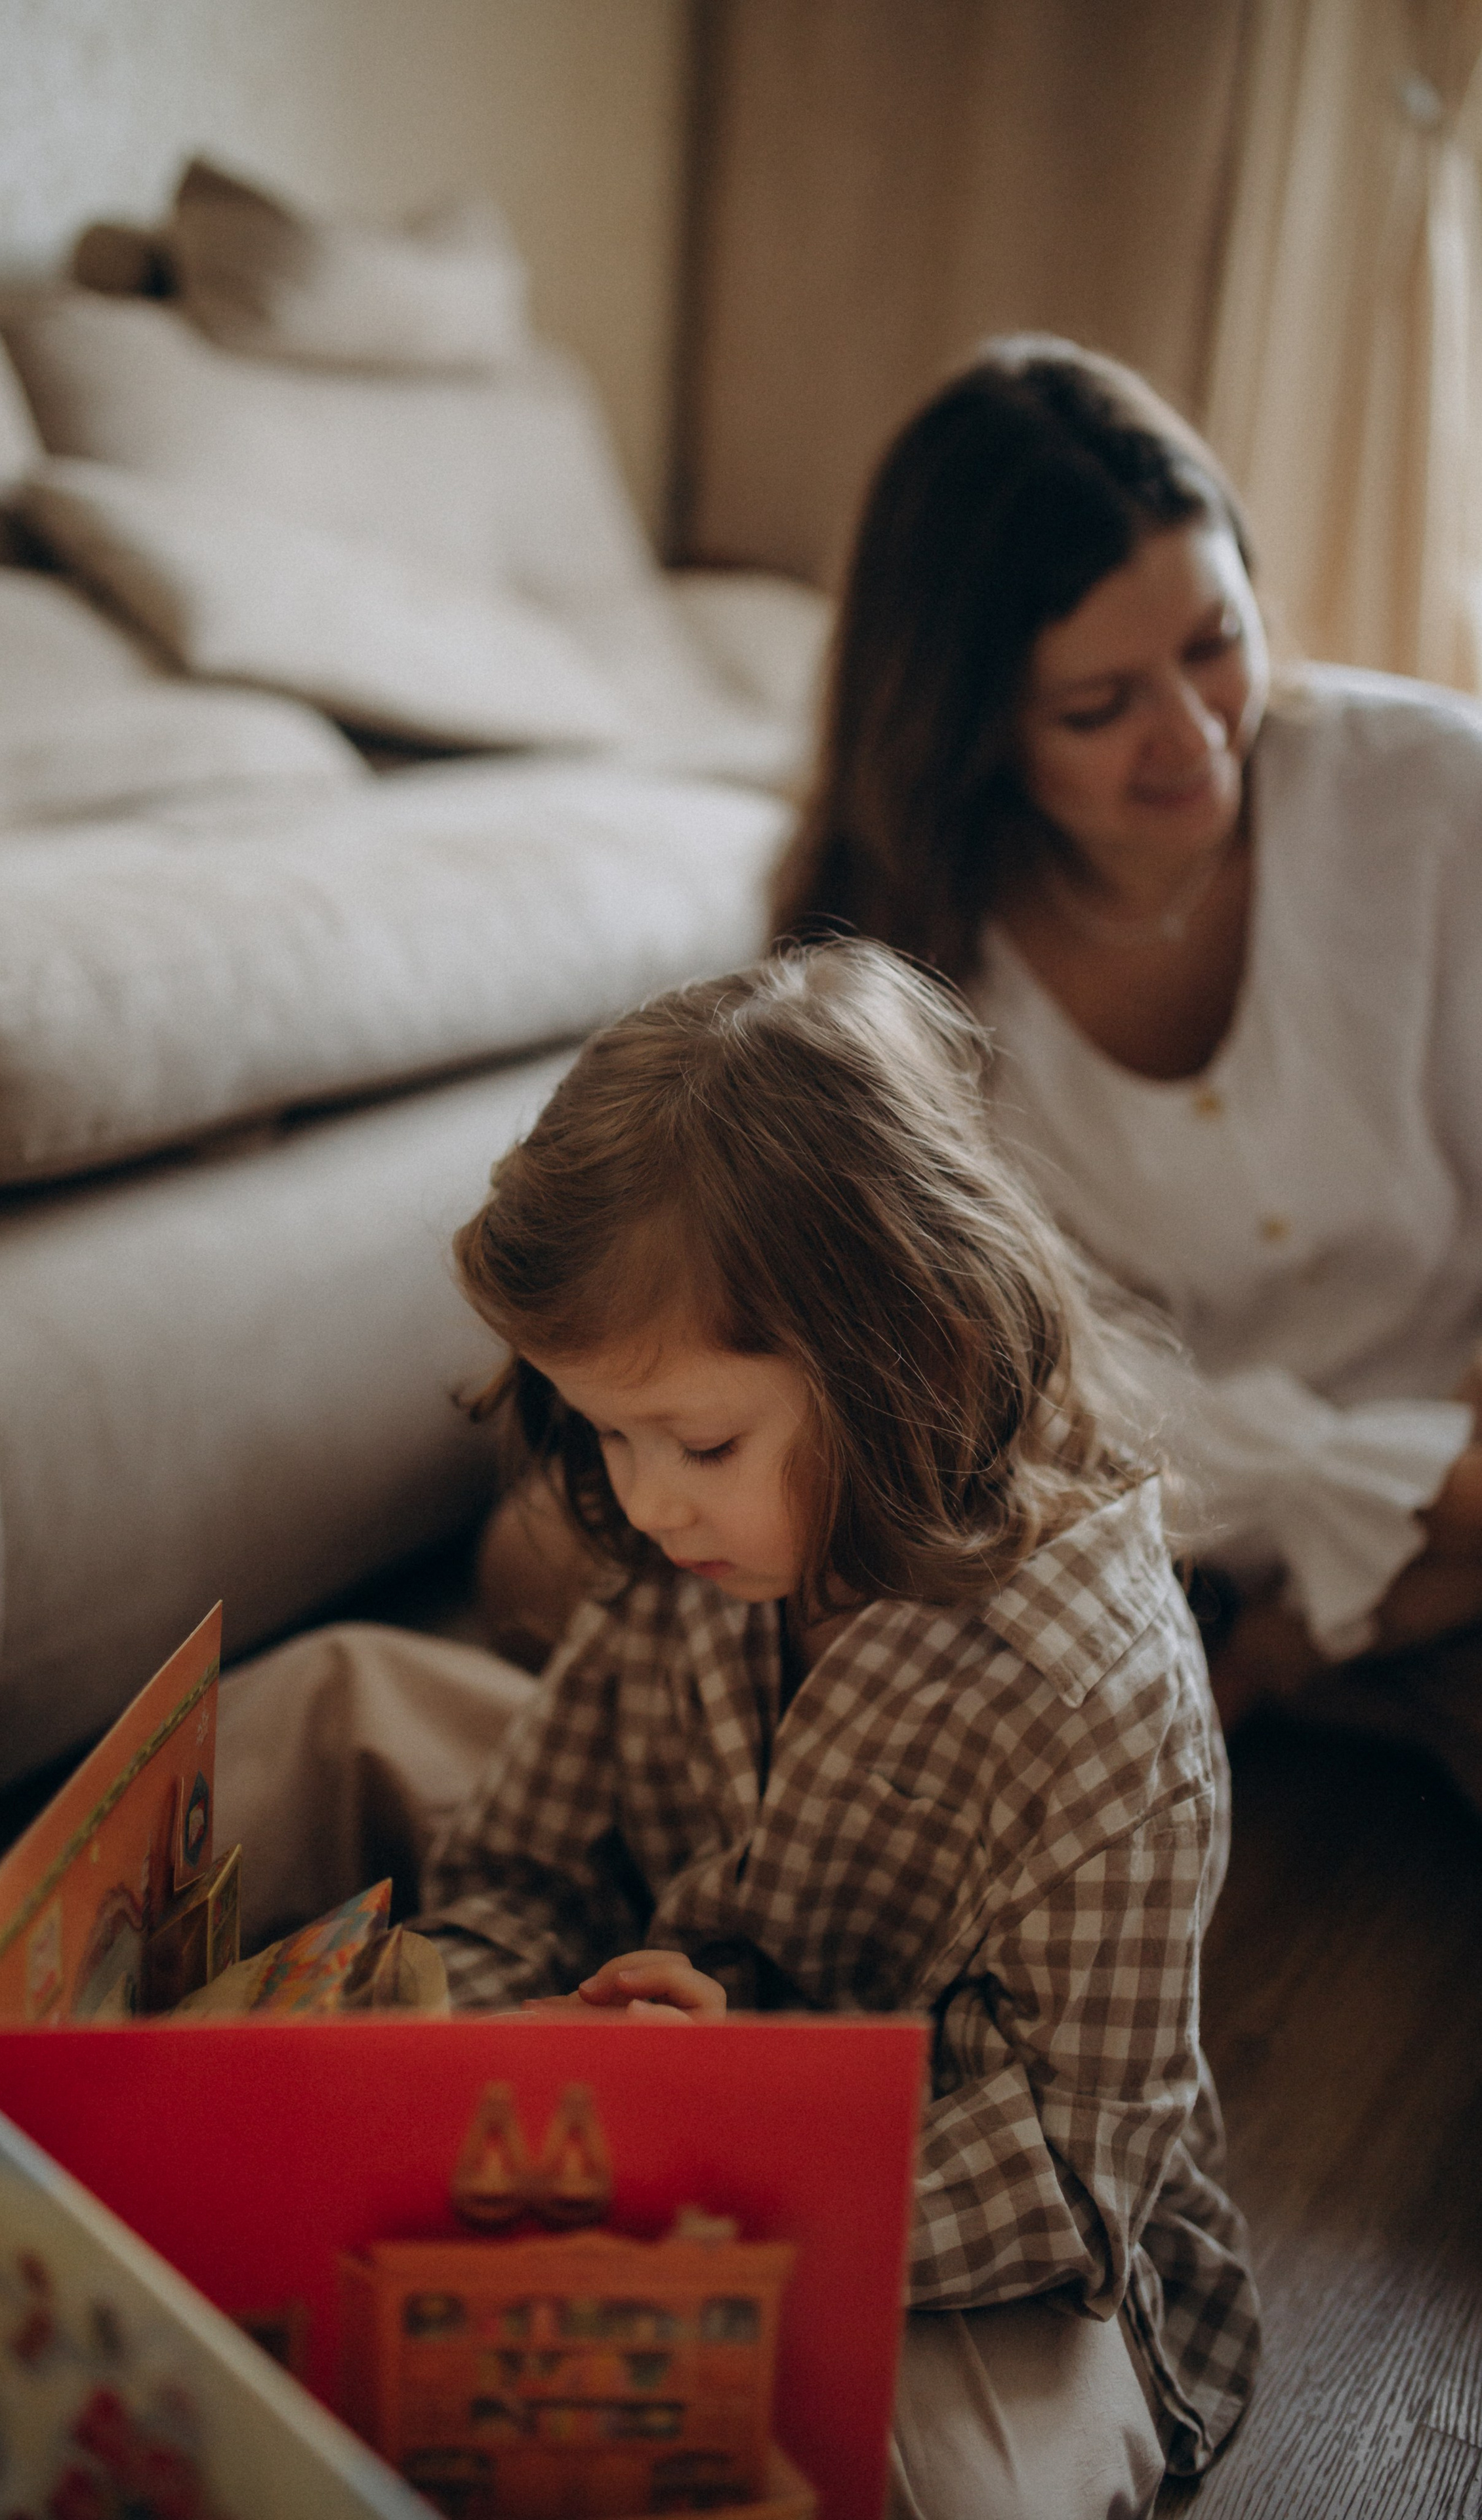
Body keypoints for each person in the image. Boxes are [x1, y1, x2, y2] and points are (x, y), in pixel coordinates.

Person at [240, 941, 1248, 2519]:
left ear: (920, 1358)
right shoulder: (697, 1546)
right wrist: (499, 2045)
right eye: (601, 1433)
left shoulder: (1103, 1707)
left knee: (957, 2484)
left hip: (964, 2257)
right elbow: (516, 1865)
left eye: (696, 1440)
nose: (639, 1498)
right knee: (325, 1696)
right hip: (650, 2135)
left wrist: (731, 2144)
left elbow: (1073, 2171)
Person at [769, 337, 1482, 1781]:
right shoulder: (893, 958)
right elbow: (1004, 1380)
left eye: (1215, 643)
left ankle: (1318, 1659)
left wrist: (1396, 1547)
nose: (1192, 738)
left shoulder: (1430, 795)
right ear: (970, 729)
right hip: (1156, 1521)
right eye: (1095, 709)